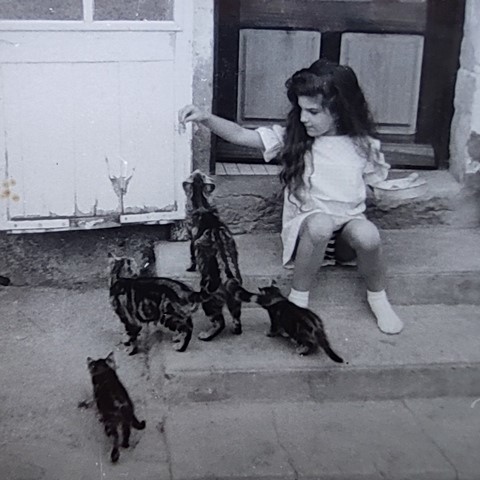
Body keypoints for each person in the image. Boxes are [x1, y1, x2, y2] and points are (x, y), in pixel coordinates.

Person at [178, 59, 404, 335]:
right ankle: (298, 300)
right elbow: (241, 135)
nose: (303, 118)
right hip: (307, 233)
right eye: (300, 110)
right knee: (320, 223)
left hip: (345, 236)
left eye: (313, 111)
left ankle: (378, 298)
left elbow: (376, 186)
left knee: (368, 233)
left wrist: (397, 191)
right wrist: (205, 117)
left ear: (340, 111)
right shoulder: (292, 138)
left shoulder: (362, 145)